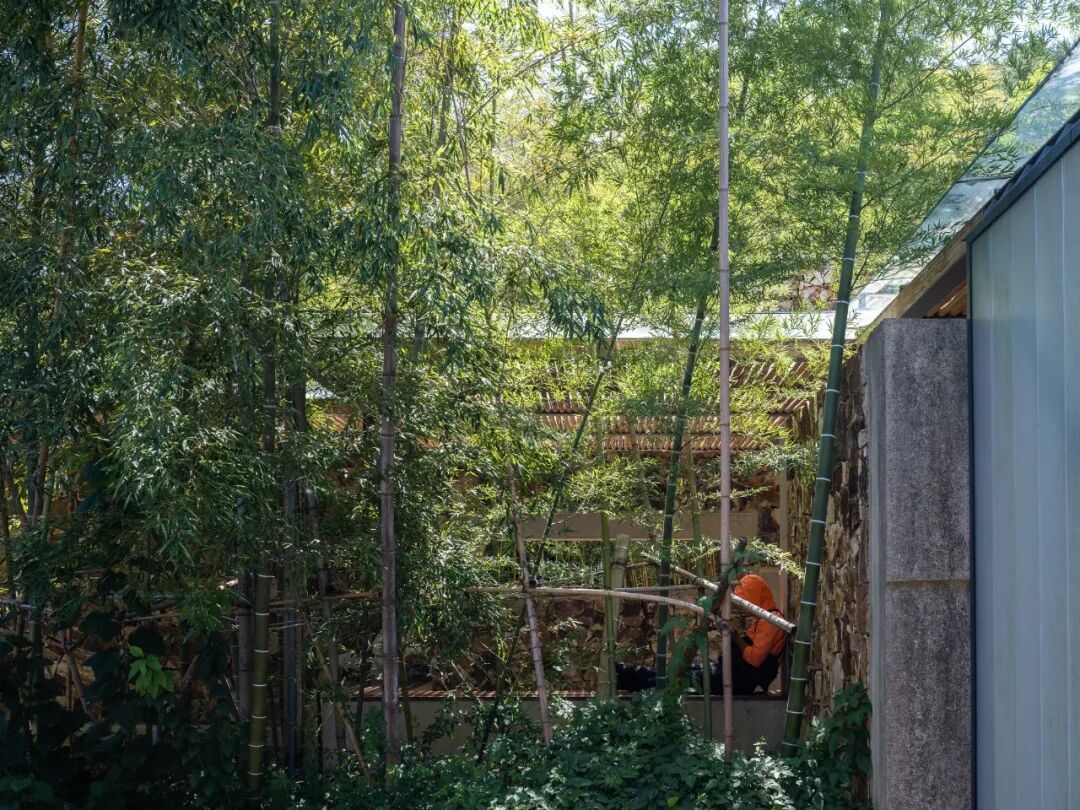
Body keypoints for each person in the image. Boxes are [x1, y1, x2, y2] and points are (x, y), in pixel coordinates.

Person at [615, 573, 787, 695]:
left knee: (682, 679)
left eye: (746, 600)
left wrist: (735, 638)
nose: (744, 606)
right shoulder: (763, 619)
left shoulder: (770, 620)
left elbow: (755, 659)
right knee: (682, 672)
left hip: (738, 679)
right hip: (730, 673)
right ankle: (625, 674)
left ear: (757, 596)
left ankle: (625, 676)